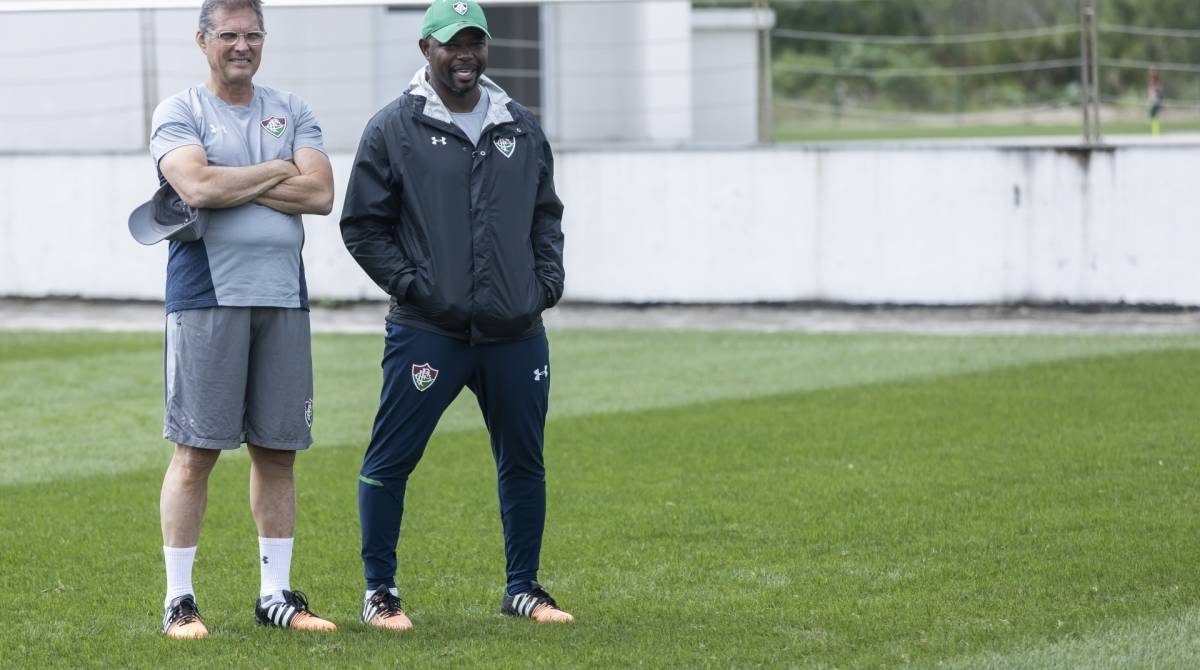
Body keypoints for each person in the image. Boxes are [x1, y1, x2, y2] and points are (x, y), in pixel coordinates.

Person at [340, 0, 570, 630]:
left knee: (524, 462)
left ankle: (523, 588)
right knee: (390, 460)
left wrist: (545, 284)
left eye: (475, 43)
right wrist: (414, 286)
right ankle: (379, 592)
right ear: (426, 49)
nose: (465, 55)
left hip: (516, 331)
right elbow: (362, 226)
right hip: (428, 331)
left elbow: (545, 214)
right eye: (452, 44)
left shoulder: (519, 125)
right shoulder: (393, 127)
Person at [149, 0, 336, 639]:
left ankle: (275, 595)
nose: (242, 45)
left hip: (283, 297)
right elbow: (197, 188)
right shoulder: (180, 111)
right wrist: (279, 169)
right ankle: (179, 600)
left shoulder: (293, 108)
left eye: (253, 34)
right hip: (207, 297)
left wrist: (233, 179)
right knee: (196, 451)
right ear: (203, 41)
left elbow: (321, 194)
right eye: (228, 34)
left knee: (278, 452)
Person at [1148, 69, 1165, 136]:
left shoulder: (1157, 84)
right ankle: (1155, 131)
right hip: (1153, 101)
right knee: (1153, 117)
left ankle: (1155, 131)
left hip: (1155, 101)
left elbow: (1158, 93)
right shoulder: (1153, 83)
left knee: (1155, 116)